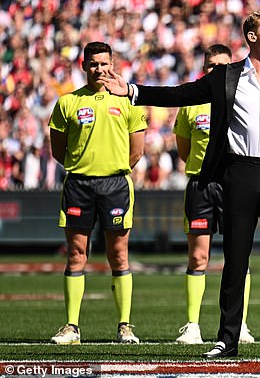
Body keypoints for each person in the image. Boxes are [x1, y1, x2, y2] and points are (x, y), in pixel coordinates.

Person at [101, 8, 260, 358]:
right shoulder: (227, 76)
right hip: (238, 173)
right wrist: (134, 90)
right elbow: (183, 94)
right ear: (252, 37)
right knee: (235, 259)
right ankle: (227, 339)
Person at [48, 41, 147, 345]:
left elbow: (136, 151)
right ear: (84, 66)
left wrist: (110, 167)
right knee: (77, 254)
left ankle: (125, 326)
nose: (99, 69)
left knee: (118, 254)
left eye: (104, 63)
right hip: (79, 185)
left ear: (112, 64)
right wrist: (85, 166)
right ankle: (71, 327)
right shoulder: (68, 103)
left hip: (116, 185)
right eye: (93, 64)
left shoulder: (128, 100)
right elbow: (58, 150)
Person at [173, 44, 255, 345]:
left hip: (236, 184)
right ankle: (192, 324)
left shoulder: (243, 100)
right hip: (201, 185)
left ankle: (240, 323)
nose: (217, 71)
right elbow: (185, 150)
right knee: (198, 256)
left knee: (238, 256)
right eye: (211, 66)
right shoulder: (191, 104)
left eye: (223, 66)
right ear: (203, 69)